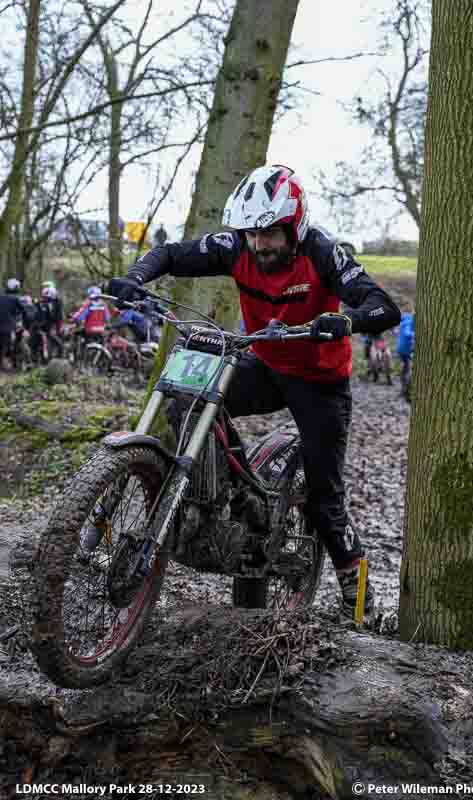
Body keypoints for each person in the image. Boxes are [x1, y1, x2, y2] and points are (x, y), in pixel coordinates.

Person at [108, 164, 401, 617]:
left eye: (269, 234)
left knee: (326, 502)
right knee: (190, 396)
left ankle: (359, 600)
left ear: (294, 226)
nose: (259, 244)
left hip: (320, 382)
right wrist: (134, 278)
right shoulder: (236, 247)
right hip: (264, 361)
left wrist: (345, 321)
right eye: (251, 234)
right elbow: (169, 254)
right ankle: (232, 493)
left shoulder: (322, 252)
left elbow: (383, 306)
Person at [0, 278, 27, 370]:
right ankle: (13, 362)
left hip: (4, 325)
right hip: (9, 326)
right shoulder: (16, 298)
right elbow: (24, 311)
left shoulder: (2, 296)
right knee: (11, 343)